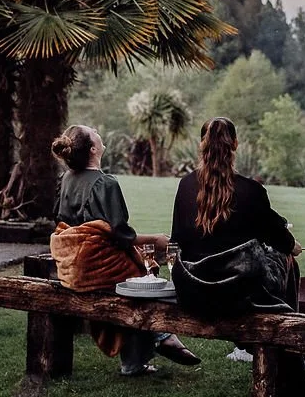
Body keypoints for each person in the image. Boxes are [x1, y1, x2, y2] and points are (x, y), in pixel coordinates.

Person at [171, 117, 305, 396]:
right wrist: (291, 245)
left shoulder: (186, 185)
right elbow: (280, 240)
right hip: (236, 294)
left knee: (264, 261)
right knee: (287, 261)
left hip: (193, 291)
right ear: (235, 144)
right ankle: (286, 348)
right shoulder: (252, 191)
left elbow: (177, 241)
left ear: (201, 145)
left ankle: (278, 347)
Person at [50, 125, 200, 377]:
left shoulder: (66, 179)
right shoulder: (104, 183)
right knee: (143, 283)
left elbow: (66, 222)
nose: (97, 130)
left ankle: (149, 350)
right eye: (93, 131)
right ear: (93, 149)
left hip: (72, 266)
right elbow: (120, 234)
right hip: (97, 265)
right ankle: (159, 340)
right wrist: (156, 239)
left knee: (137, 277)